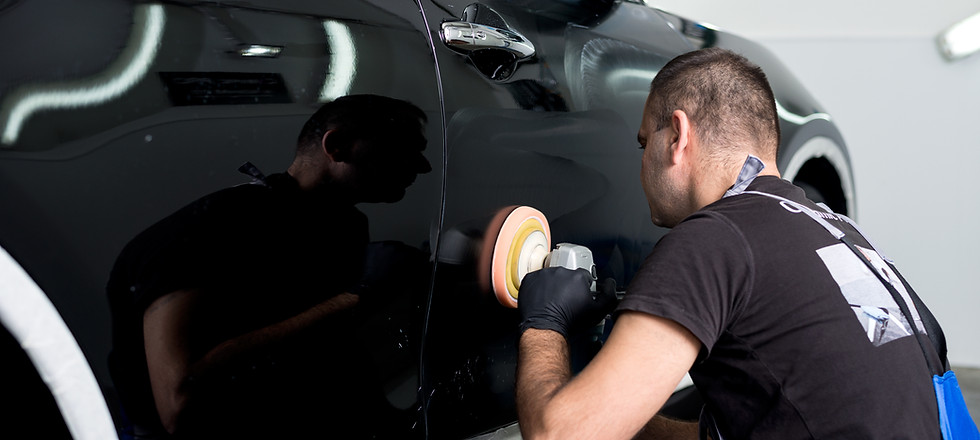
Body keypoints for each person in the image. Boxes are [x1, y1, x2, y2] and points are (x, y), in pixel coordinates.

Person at [515, 48, 944, 439]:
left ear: (678, 136)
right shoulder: (844, 235)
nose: (642, 163)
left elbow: (560, 435)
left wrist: (544, 323)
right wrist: (617, 401)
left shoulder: (713, 238)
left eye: (645, 143)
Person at [106, 94, 431, 439]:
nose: (422, 166)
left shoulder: (343, 226)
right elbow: (181, 404)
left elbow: (328, 354)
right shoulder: (205, 232)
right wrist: (357, 296)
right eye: (403, 147)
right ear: (337, 146)